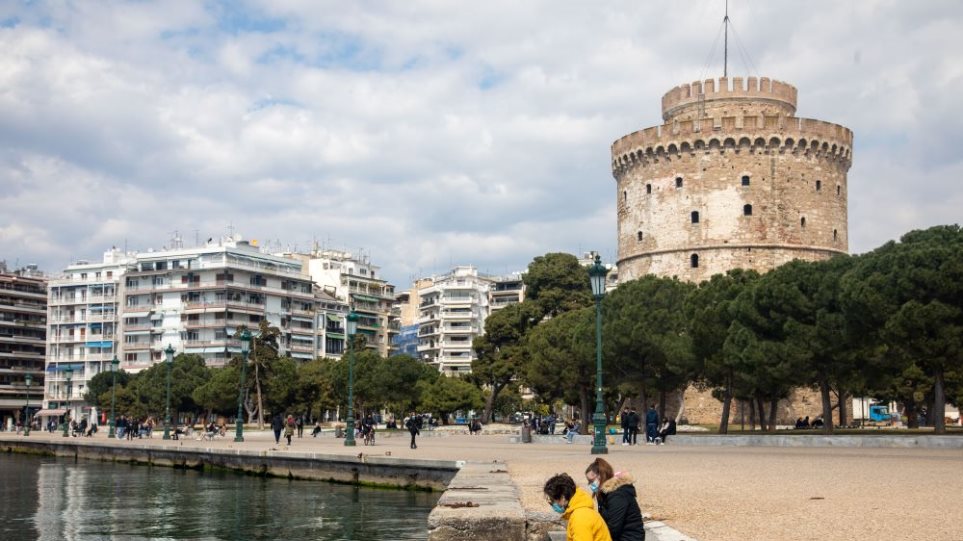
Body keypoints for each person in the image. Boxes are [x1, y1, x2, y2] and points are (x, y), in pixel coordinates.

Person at [585, 459, 645, 541]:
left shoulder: (618, 495)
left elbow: (614, 527)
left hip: (630, 537)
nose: (590, 484)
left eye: (591, 481)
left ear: (601, 476)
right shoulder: (604, 493)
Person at [543, 473, 612, 541]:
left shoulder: (580, 518)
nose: (552, 506)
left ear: (562, 498)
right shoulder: (582, 511)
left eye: (552, 502)